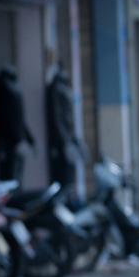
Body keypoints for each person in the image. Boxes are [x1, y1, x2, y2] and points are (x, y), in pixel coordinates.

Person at [46, 67, 85, 196]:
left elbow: (67, 119)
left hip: (67, 138)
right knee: (63, 175)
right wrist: (65, 141)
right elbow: (57, 117)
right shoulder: (57, 89)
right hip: (61, 141)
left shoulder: (62, 89)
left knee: (69, 174)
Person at [0, 67, 34, 182]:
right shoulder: (15, 89)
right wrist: (29, 139)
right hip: (16, 141)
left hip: (7, 143)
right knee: (14, 180)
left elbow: (4, 118)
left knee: (8, 180)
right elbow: (20, 120)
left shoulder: (0, 87)